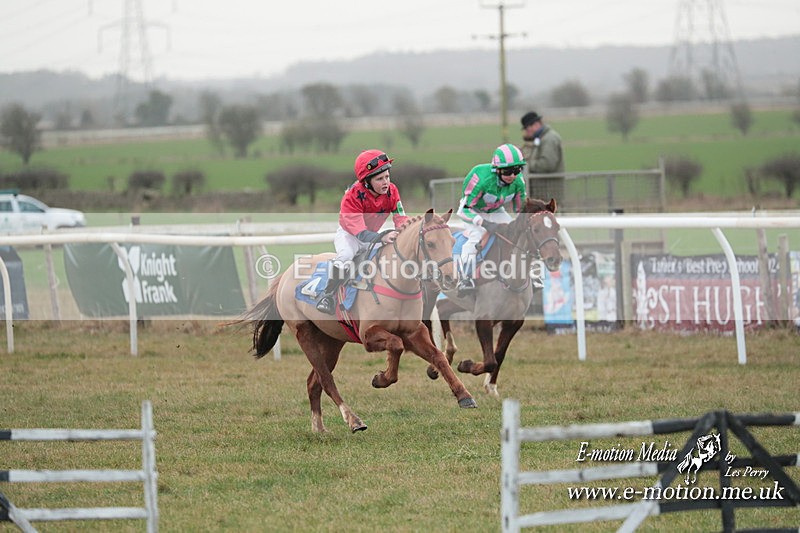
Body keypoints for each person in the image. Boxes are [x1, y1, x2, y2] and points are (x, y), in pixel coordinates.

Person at [315, 149, 409, 314]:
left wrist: (405, 233)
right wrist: (384, 236)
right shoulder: (353, 196)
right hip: (350, 235)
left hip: (372, 235)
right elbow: (360, 234)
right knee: (345, 257)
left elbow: (401, 218)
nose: (385, 182)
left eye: (387, 176)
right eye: (379, 179)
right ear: (366, 182)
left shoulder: (392, 191)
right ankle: (327, 295)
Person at [455, 143, 527, 295]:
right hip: (472, 210)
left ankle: (532, 273)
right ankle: (464, 277)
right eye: (508, 171)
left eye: (517, 170)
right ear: (497, 169)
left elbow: (521, 211)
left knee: (519, 233)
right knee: (477, 235)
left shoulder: (518, 182)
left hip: (495, 210)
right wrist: (484, 223)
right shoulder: (481, 178)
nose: (513, 176)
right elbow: (463, 211)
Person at [520, 111, 565, 203]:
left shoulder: (549, 139)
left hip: (549, 193)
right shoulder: (542, 138)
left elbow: (547, 164)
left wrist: (526, 165)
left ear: (536, 124)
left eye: (528, 129)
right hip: (544, 193)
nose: (528, 133)